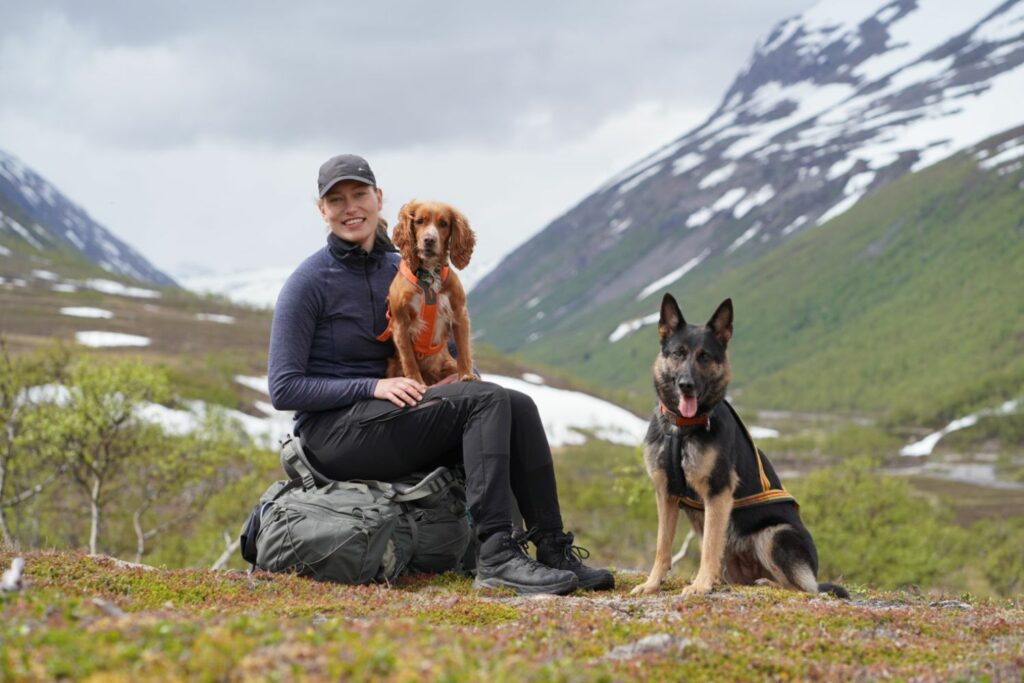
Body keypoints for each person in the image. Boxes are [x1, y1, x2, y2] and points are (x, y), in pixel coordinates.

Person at [267, 154, 614, 595]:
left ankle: (551, 547)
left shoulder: (406, 268)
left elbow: (442, 344)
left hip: (394, 413)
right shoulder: (309, 282)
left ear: (379, 200)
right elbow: (284, 387)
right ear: (322, 211)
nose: (350, 207)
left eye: (359, 195)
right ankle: (497, 557)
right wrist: (372, 385)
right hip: (333, 435)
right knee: (487, 401)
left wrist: (459, 378)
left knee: (513, 402)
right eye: (336, 200)